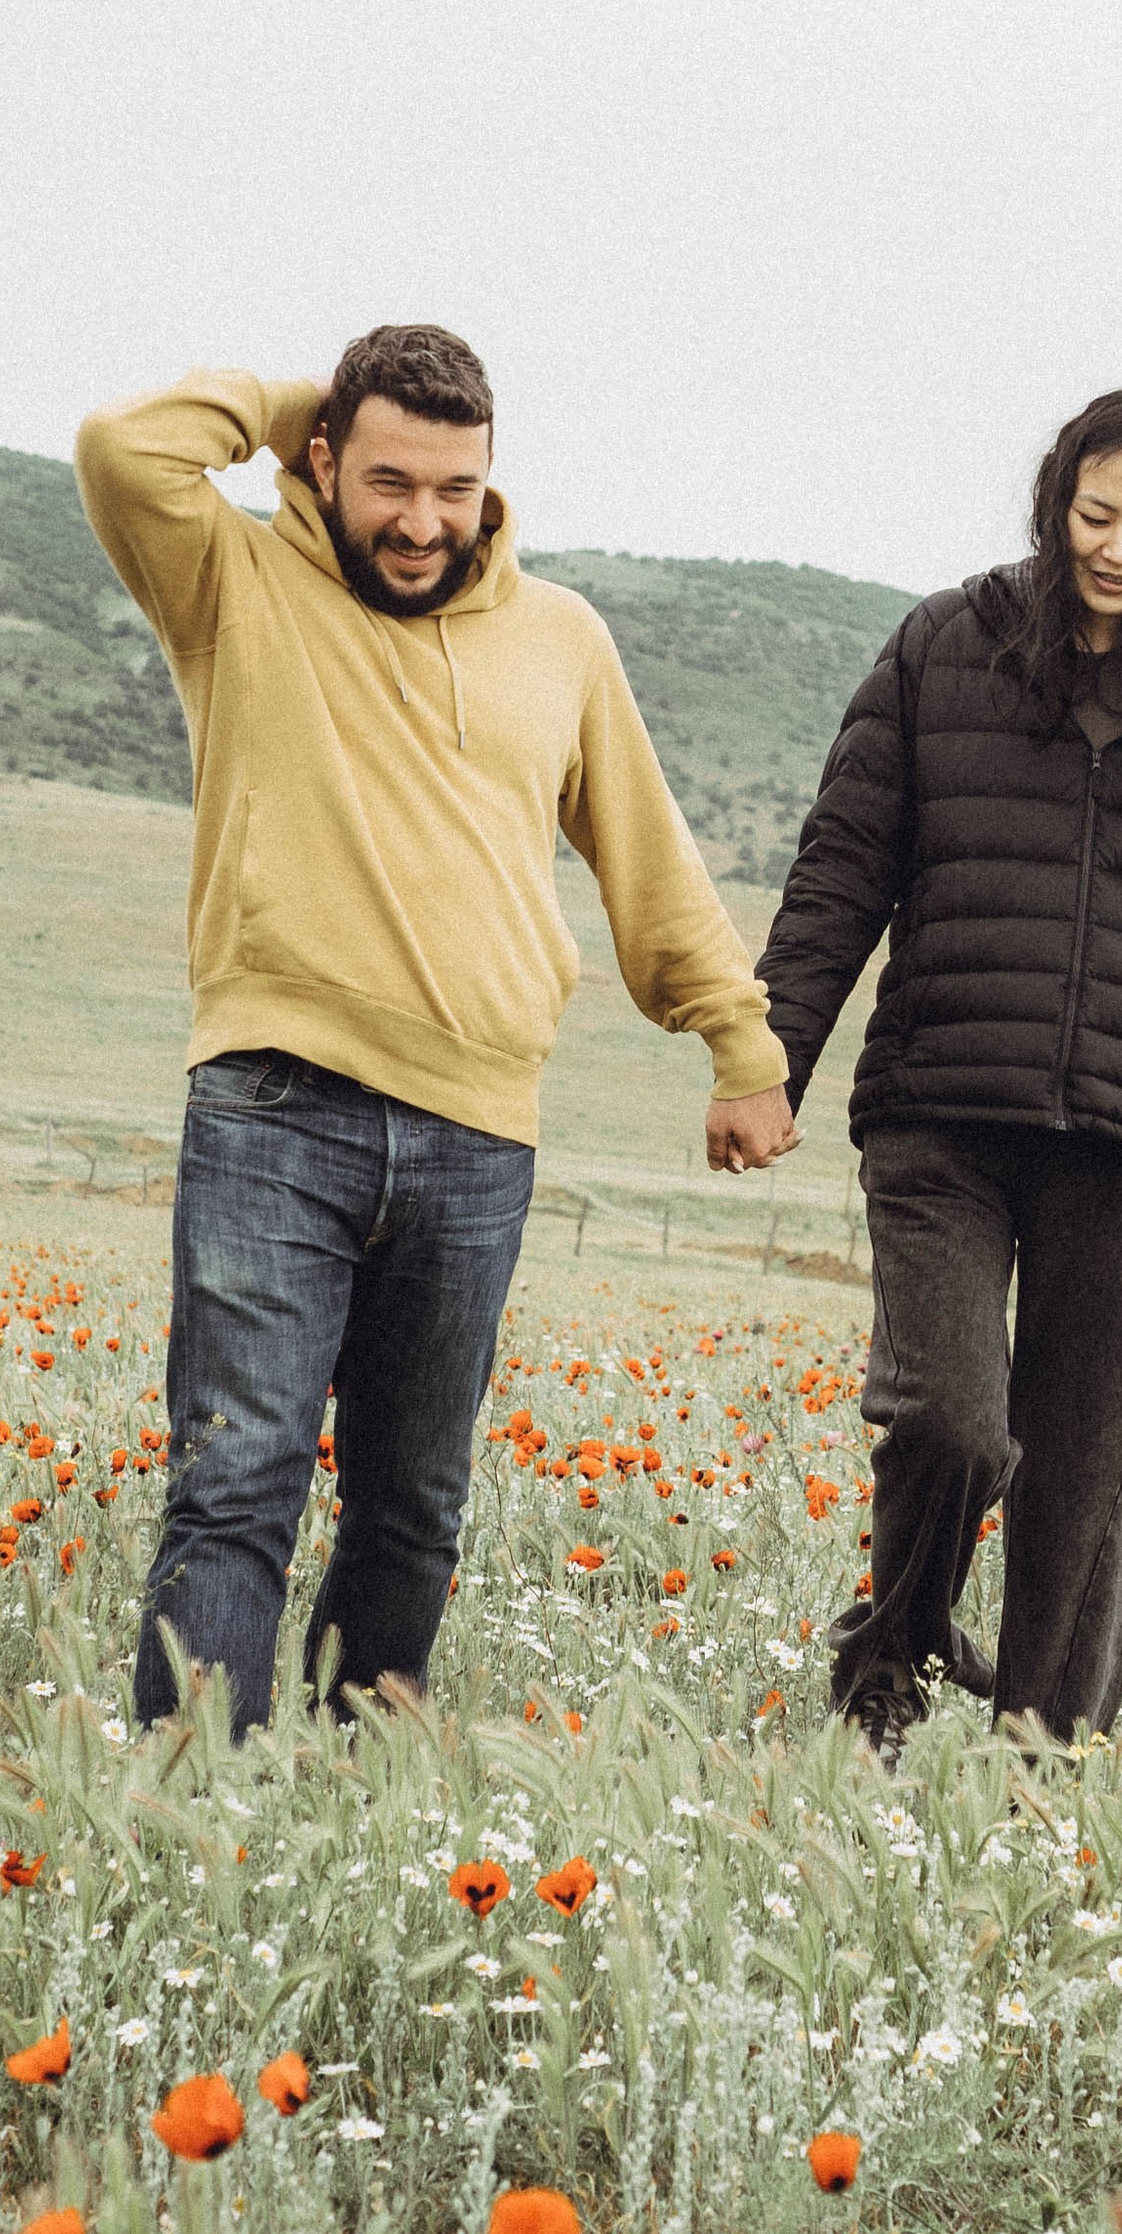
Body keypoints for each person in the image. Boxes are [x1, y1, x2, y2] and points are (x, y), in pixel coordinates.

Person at [74, 328, 796, 1737]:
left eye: (455, 489)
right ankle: (188, 1824)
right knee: (238, 1486)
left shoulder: (561, 637)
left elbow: (645, 855)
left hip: (479, 1135)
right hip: (276, 1102)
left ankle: (348, 1816)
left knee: (414, 1505)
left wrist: (740, 1037)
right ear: (323, 462)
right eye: (389, 480)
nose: (422, 523)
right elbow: (124, 448)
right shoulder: (233, 580)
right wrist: (302, 408)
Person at [755, 386, 1122, 1755]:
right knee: (950, 1419)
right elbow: (841, 871)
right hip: (944, 1108)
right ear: (1056, 501)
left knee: (1093, 1482)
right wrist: (769, 1057)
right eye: (1098, 516)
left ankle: (1041, 1757)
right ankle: (888, 1660)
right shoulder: (946, 648)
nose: (1120, 549)